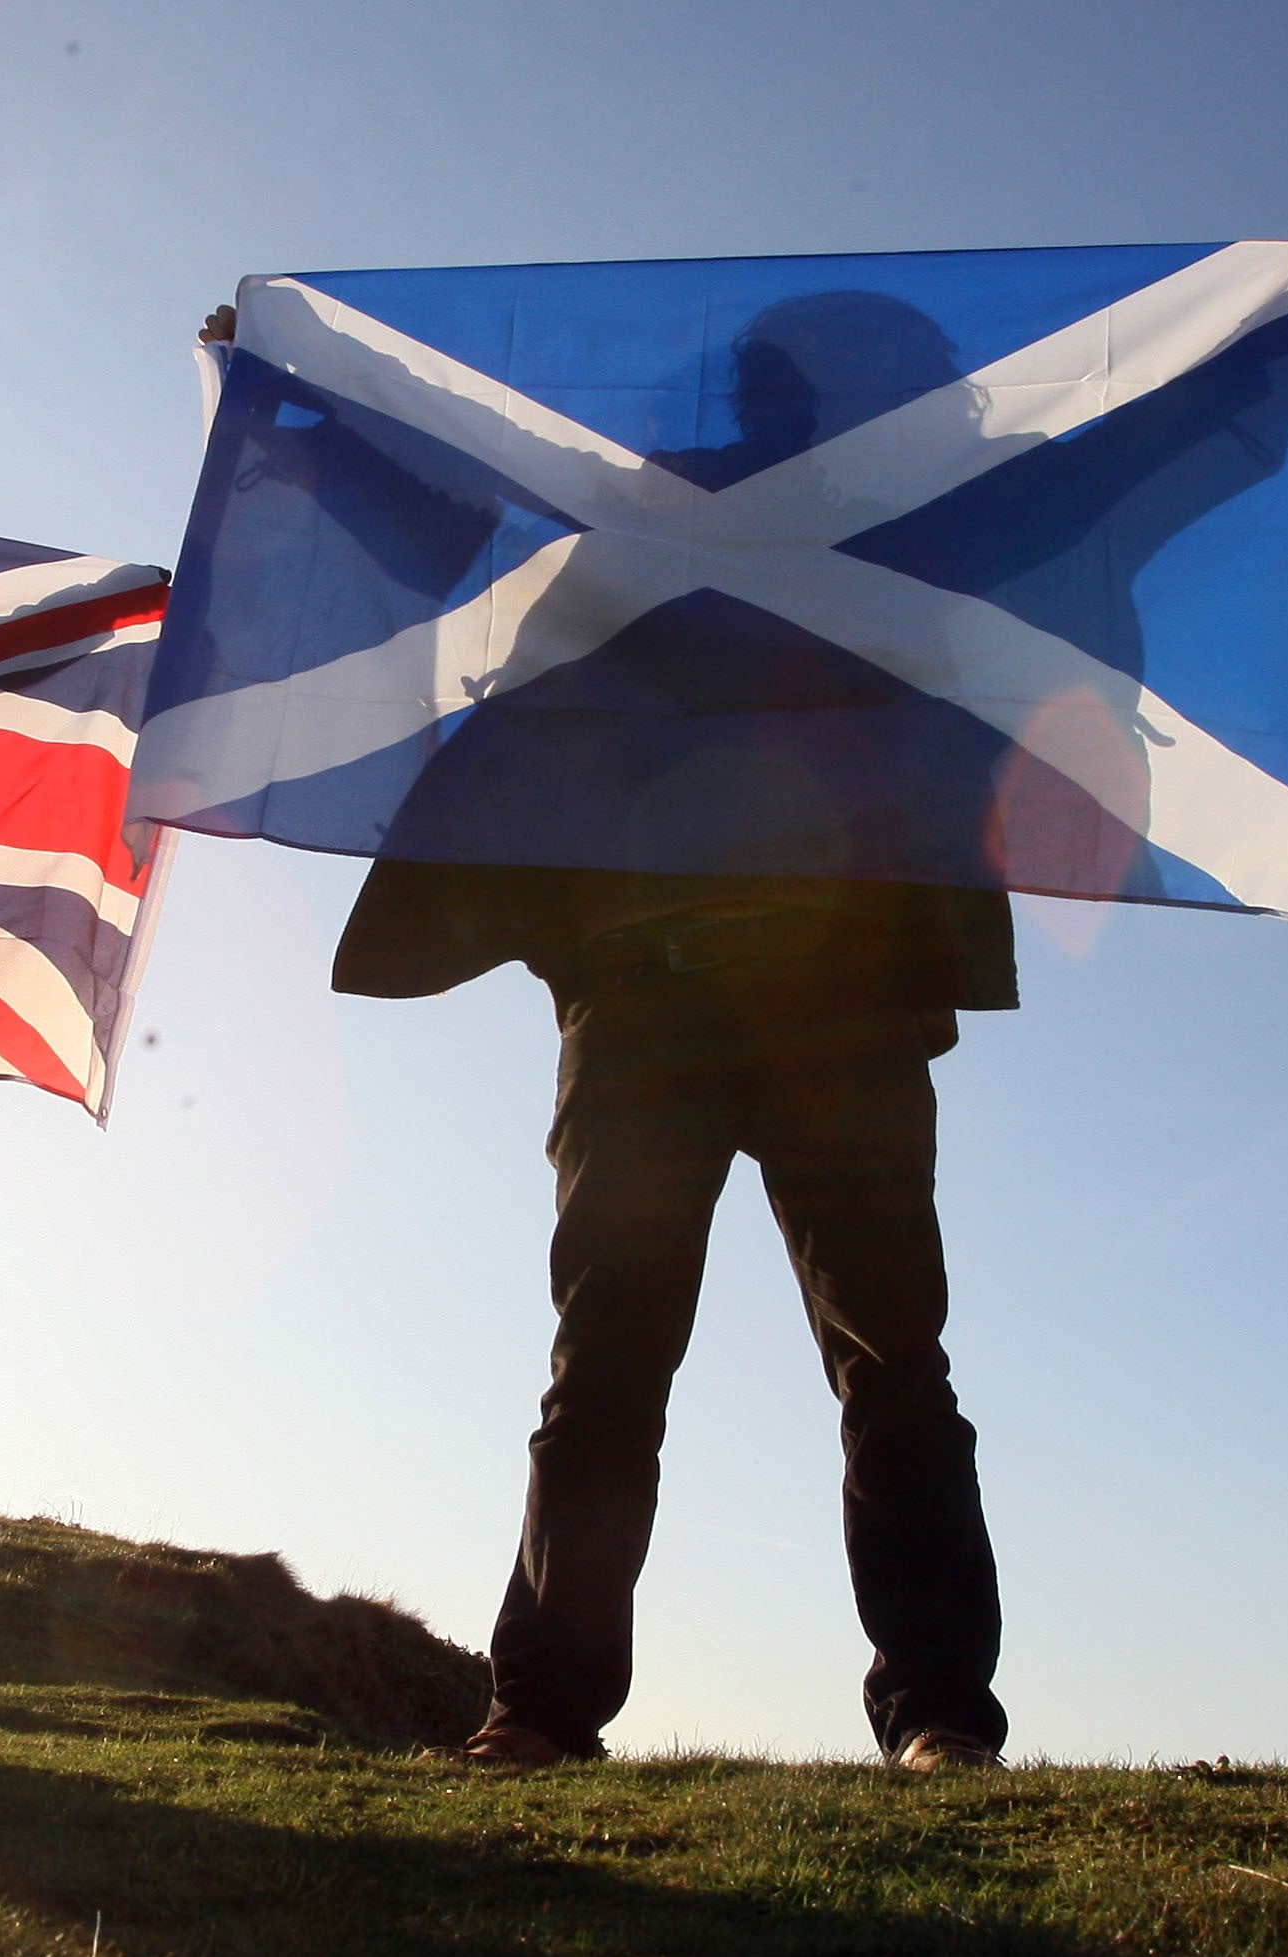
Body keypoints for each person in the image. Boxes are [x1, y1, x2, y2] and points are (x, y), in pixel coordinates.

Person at [197, 298, 1020, 1771]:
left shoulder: (908, 537)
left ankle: (935, 1713)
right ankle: (551, 1707)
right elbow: (448, 533)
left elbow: (1096, 504)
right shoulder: (644, 516)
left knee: (871, 1364)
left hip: (830, 1006)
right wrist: (289, 404)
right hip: (650, 1002)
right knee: (638, 1367)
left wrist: (1225, 374)